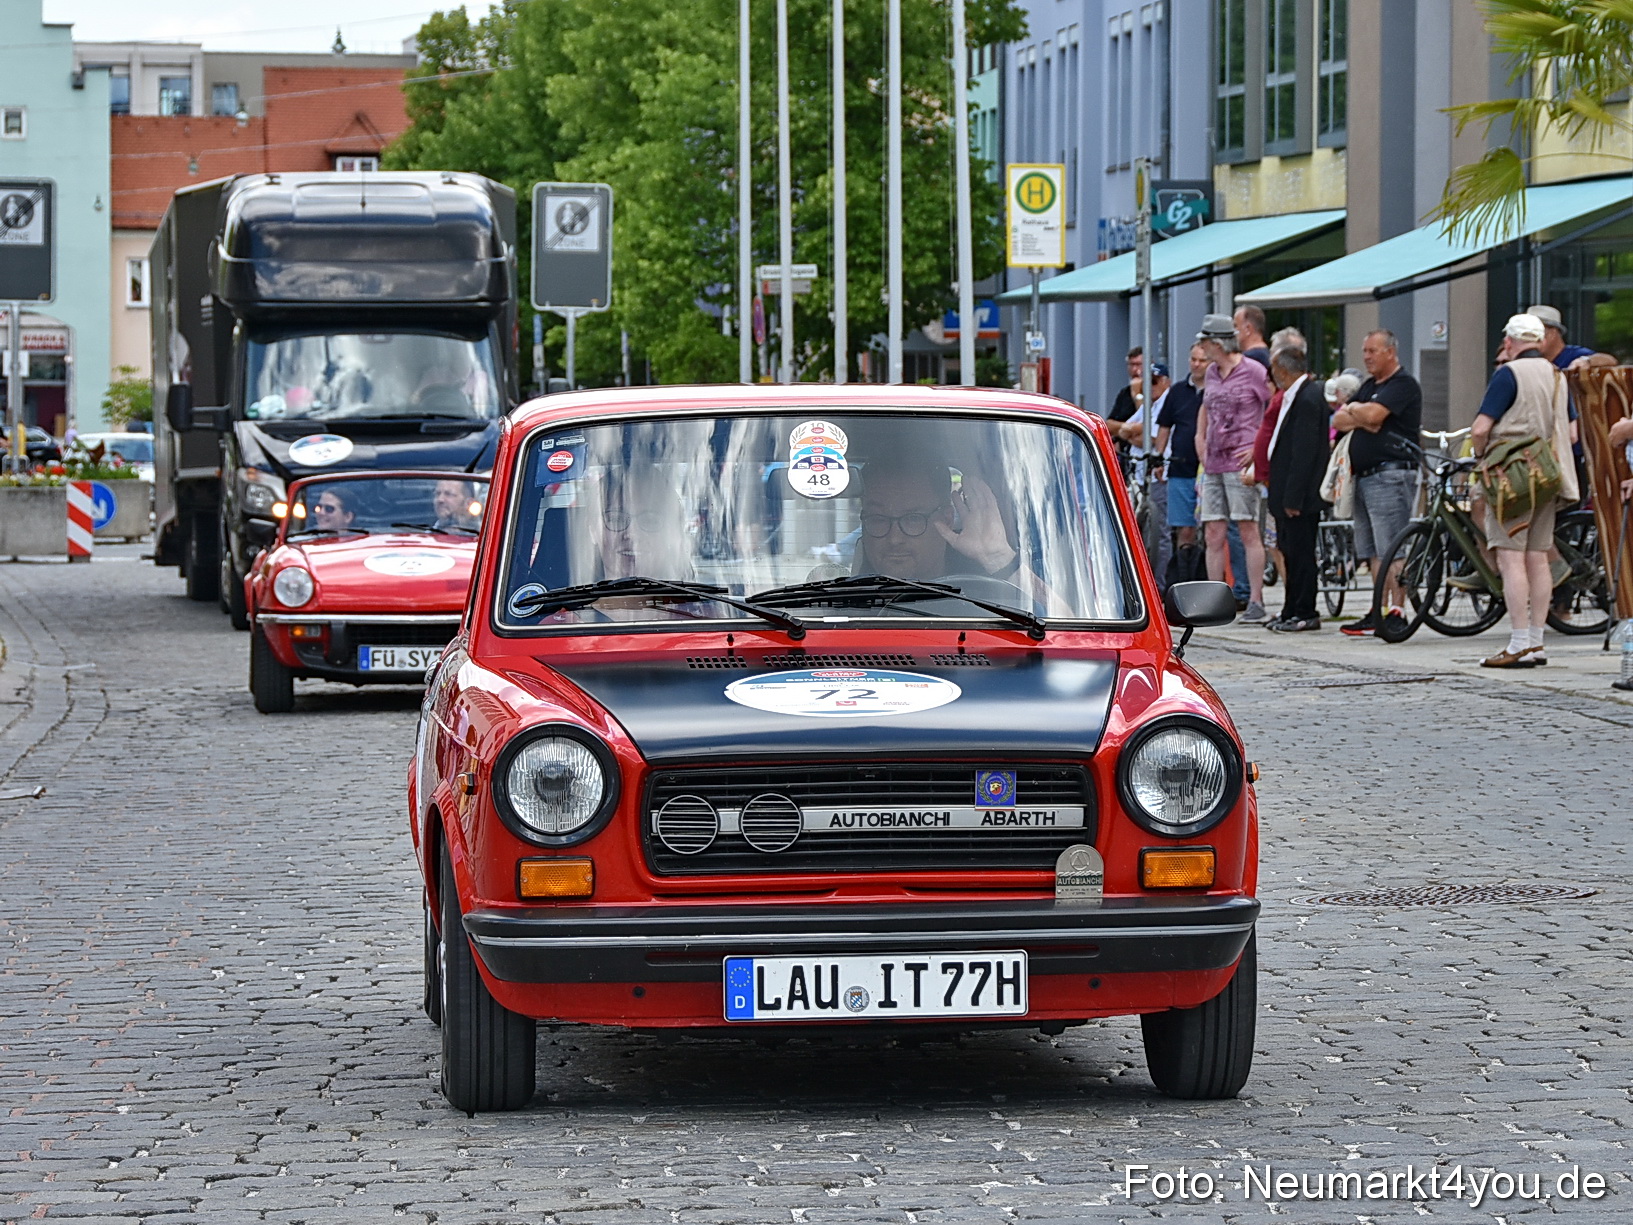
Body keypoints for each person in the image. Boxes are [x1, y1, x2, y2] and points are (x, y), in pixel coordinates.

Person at [1471, 314, 1579, 668]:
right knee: (1538, 556)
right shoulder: (1556, 375)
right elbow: (1571, 431)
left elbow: (1481, 428)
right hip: (1547, 474)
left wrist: (1481, 455)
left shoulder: (1508, 374)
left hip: (1512, 476)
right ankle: (1536, 642)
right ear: (1540, 340)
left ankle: (1517, 643)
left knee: (1510, 557)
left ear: (1509, 342)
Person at [1335, 329, 1421, 637]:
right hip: (1364, 476)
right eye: (1365, 351)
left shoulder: (1402, 384)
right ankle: (1378, 609)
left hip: (1391, 475)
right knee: (1371, 549)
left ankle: (1397, 610)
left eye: (1372, 351)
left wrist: (1358, 413)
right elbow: (1339, 420)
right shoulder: (1370, 386)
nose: (1367, 357)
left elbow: (1373, 416)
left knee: (1391, 547)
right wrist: (1360, 414)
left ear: (1390, 352)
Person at [1194, 314, 1271, 623]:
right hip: (1213, 460)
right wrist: (1200, 438)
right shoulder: (1212, 373)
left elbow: (1271, 408)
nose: (1201, 347)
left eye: (1205, 342)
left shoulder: (1253, 371)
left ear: (1217, 343)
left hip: (1240, 460)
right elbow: (1206, 407)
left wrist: (1257, 448)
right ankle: (1216, 600)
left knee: (1248, 528)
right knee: (1213, 531)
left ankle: (1256, 598)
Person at [855, 459, 1018, 583]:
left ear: (947, 520)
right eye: (878, 519)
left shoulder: (989, 599)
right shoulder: (841, 602)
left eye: (913, 519)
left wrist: (997, 558)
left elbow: (1032, 609)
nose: (894, 539)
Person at [1263, 347, 1331, 632]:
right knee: (1289, 552)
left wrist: (1293, 497)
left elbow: (1305, 452)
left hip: (1299, 497)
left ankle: (1305, 610)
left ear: (1282, 370)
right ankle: (1290, 608)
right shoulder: (1295, 395)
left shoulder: (1308, 397)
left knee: (1301, 555)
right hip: (1285, 491)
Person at [1156, 345, 1207, 585]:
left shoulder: (1216, 390)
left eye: (1202, 360)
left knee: (1215, 530)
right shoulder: (1177, 392)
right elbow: (1164, 427)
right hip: (1181, 468)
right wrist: (1158, 458)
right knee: (1184, 529)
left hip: (1209, 469)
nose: (1196, 364)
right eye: (1193, 359)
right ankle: (1185, 579)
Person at [1234, 305, 1272, 370]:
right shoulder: (1267, 355)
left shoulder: (1249, 359)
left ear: (1248, 329)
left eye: (1235, 326)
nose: (1232, 331)